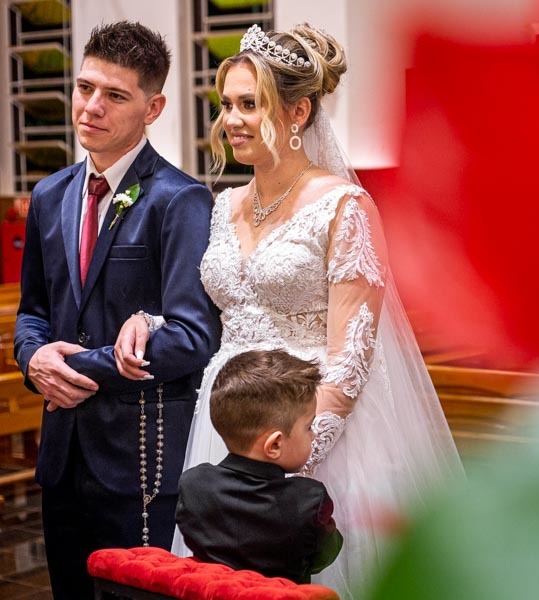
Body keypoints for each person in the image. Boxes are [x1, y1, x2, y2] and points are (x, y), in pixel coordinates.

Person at [114, 22, 462, 598]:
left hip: (316, 432)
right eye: (226, 104)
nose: (230, 119)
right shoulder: (223, 206)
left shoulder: (344, 207)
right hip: (226, 424)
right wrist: (148, 321)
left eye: (250, 104)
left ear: (297, 114)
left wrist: (281, 465)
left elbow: (350, 357)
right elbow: (211, 309)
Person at [14, 21, 221, 600]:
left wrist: (79, 367)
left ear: (153, 107)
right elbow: (33, 311)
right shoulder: (50, 194)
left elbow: (191, 335)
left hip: (140, 460)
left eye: (115, 95)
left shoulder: (180, 200)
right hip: (60, 454)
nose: (91, 107)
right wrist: (34, 359)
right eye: (85, 89)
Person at [176, 349, 343, 584]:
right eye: (308, 427)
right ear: (274, 444)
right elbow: (324, 555)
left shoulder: (193, 484)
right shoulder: (308, 500)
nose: (314, 435)